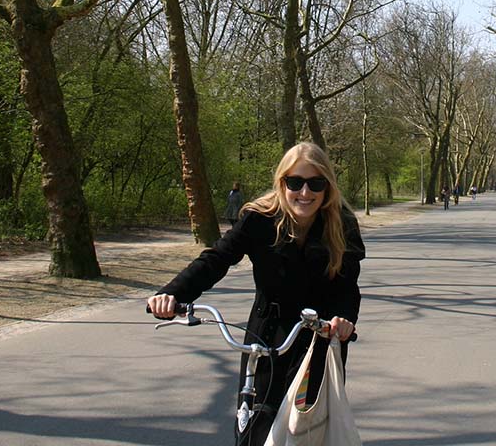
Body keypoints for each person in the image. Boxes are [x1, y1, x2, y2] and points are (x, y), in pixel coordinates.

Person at [147, 142, 363, 446]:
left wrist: (344, 320)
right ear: (282, 182)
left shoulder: (341, 224)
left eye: (315, 183)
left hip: (319, 337)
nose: (305, 192)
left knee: (307, 428)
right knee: (256, 421)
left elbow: (346, 285)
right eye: (295, 182)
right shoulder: (259, 218)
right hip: (267, 332)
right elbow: (216, 260)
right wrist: (171, 294)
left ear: (327, 187)